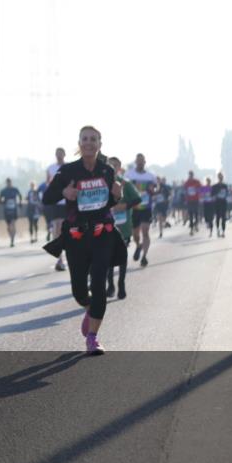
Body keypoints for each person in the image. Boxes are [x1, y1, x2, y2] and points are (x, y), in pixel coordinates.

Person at [42, 126, 121, 355]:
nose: (89, 143)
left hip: (102, 234)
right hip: (76, 236)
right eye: (85, 139)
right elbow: (47, 198)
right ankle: (90, 308)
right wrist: (64, 193)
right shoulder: (67, 171)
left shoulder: (107, 171)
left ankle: (93, 338)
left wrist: (117, 195)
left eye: (93, 139)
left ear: (100, 144)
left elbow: (109, 203)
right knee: (79, 290)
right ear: (79, 143)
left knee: (99, 284)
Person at [106, 157, 142, 299]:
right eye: (110, 165)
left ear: (119, 167)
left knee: (121, 256)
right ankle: (110, 285)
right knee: (107, 256)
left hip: (124, 226)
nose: (112, 168)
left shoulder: (125, 183)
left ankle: (121, 284)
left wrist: (124, 206)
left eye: (115, 165)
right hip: (107, 225)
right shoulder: (102, 182)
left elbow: (137, 199)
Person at [125, 153, 157, 267]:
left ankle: (144, 257)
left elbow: (155, 190)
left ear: (145, 162)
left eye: (142, 161)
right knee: (136, 235)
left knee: (145, 232)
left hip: (146, 208)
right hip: (134, 208)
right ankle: (138, 245)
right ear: (135, 162)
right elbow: (124, 189)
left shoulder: (151, 176)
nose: (140, 163)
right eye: (138, 161)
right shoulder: (129, 174)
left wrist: (152, 190)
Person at [44, 148, 68, 270]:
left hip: (68, 202)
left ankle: (71, 255)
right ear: (55, 155)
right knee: (56, 228)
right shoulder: (50, 168)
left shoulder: (70, 167)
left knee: (66, 230)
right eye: (57, 154)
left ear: (64, 155)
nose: (59, 156)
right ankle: (60, 260)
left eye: (61, 154)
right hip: (56, 203)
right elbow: (47, 184)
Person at [0, 178, 22, 247]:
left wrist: (20, 203)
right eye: (8, 182)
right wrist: (4, 202)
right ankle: (11, 237)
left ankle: (12, 240)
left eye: (10, 182)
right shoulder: (3, 191)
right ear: (6, 183)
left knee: (13, 224)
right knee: (8, 227)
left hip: (14, 210)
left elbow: (20, 196)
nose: (9, 184)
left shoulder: (15, 189)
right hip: (7, 210)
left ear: (11, 182)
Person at [182, 171, 202, 235]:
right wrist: (185, 199)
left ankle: (196, 225)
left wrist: (200, 195)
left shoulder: (197, 182)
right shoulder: (187, 182)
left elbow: (201, 189)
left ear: (193, 175)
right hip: (189, 200)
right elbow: (184, 191)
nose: (190, 176)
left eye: (191, 175)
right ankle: (191, 229)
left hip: (196, 200)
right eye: (190, 175)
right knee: (190, 214)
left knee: (196, 213)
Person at [211, 173, 229, 237]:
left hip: (223, 203)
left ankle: (223, 231)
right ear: (218, 178)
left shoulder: (225, 186)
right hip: (217, 203)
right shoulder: (214, 186)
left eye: (221, 177)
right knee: (218, 217)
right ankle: (218, 229)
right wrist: (216, 194)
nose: (220, 178)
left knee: (223, 218)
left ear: (223, 178)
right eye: (219, 177)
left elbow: (227, 194)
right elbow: (212, 194)